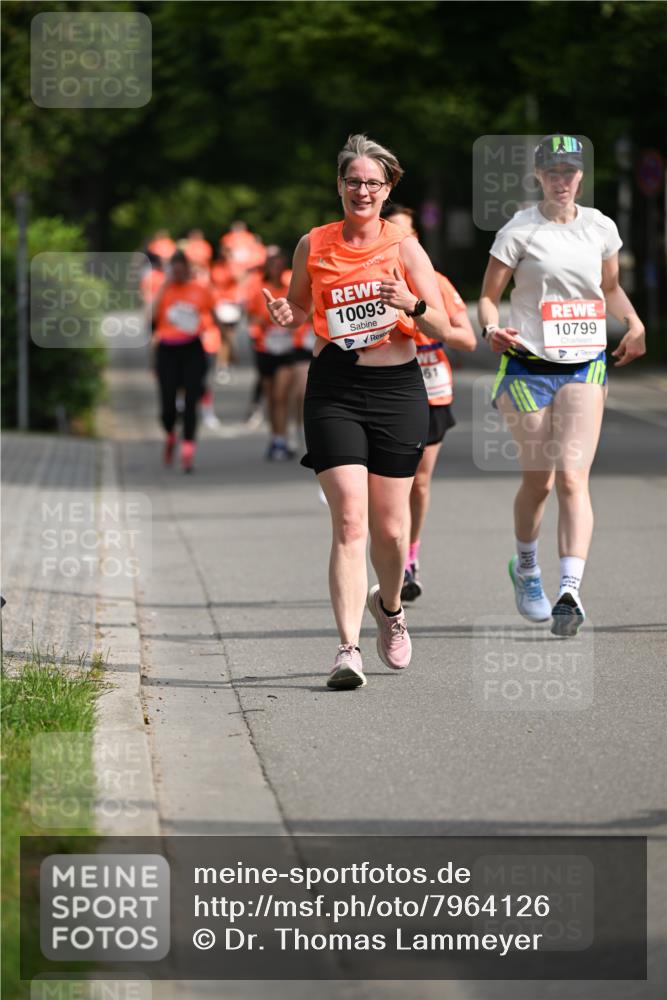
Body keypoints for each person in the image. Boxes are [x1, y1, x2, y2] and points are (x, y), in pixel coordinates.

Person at [263, 134, 453, 689]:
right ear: (340, 186)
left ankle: (389, 608)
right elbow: (301, 306)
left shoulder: (406, 248)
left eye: (373, 183)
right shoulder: (313, 243)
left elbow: (442, 324)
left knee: (390, 530)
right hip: (335, 389)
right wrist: (287, 313)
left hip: (396, 390)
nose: (362, 191)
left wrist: (412, 303)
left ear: (387, 189)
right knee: (349, 520)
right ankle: (347, 650)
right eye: (354, 181)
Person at [478, 134, 645, 636]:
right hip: (527, 367)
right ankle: (527, 568)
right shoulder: (519, 230)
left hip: (584, 364)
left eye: (569, 171)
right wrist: (491, 328)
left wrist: (634, 323)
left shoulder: (600, 227)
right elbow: (488, 296)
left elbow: (609, 287)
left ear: (581, 175)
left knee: (573, 477)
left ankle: (570, 590)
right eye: (551, 171)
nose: (561, 180)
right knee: (541, 480)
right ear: (538, 175)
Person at [382, 204, 477, 602]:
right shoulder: (369, 280)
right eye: (394, 233)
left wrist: (422, 316)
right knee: (390, 485)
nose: (402, 241)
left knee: (418, 482)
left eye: (409, 234)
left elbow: (467, 339)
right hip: (386, 390)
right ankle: (391, 556)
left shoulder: (436, 281)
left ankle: (409, 557)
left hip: (432, 389)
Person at [152, 250, 217, 472]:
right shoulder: (164, 290)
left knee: (191, 401)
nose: (178, 274)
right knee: (167, 405)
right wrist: (163, 288)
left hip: (192, 349)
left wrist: (218, 340)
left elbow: (212, 316)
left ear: (188, 270)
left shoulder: (200, 289)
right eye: (175, 270)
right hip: (167, 350)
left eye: (182, 270)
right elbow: (151, 318)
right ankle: (170, 432)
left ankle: (188, 448)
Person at [247, 247, 304, 460]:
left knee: (282, 395)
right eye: (273, 266)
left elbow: (301, 312)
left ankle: (284, 438)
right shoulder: (259, 290)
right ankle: (276, 437)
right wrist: (265, 320)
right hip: (265, 348)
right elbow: (251, 318)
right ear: (268, 268)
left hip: (287, 349)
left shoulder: (291, 286)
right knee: (271, 397)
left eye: (280, 266)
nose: (277, 270)